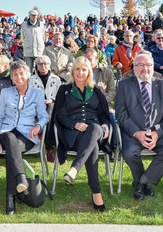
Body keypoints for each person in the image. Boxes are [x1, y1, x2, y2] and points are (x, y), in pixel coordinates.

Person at [115, 54, 163, 201]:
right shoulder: (124, 85)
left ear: (153, 67)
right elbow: (120, 112)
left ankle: (142, 182)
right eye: (140, 65)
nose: (145, 68)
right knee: (129, 153)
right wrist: (136, 133)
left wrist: (158, 133)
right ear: (134, 68)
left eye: (148, 65)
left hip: (159, 133)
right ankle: (145, 183)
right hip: (134, 133)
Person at [53, 56, 110, 212]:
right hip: (73, 134)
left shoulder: (96, 90)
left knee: (95, 128)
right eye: (77, 69)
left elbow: (104, 114)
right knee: (91, 148)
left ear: (89, 71)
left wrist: (106, 124)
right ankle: (96, 193)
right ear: (72, 71)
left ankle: (74, 169)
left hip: (94, 131)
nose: (80, 72)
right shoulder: (64, 90)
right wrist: (74, 124)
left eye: (84, 69)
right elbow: (59, 115)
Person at [0, 60, 49, 215]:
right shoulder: (6, 93)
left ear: (28, 75)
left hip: (27, 135)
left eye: (21, 73)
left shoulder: (37, 94)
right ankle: (21, 178)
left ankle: (10, 195)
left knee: (12, 151)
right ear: (11, 77)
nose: (18, 77)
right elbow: (0, 115)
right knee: (9, 138)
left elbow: (44, 116)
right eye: (15, 74)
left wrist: (38, 126)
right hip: (6, 132)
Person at [28, 55, 62, 162]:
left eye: (45, 64)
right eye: (40, 64)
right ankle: (49, 146)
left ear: (50, 65)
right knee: (47, 110)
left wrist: (52, 99)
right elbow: (28, 95)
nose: (43, 66)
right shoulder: (31, 79)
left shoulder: (56, 79)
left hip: (52, 106)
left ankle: (49, 145)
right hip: (35, 107)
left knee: (50, 108)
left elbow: (61, 96)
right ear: (37, 66)